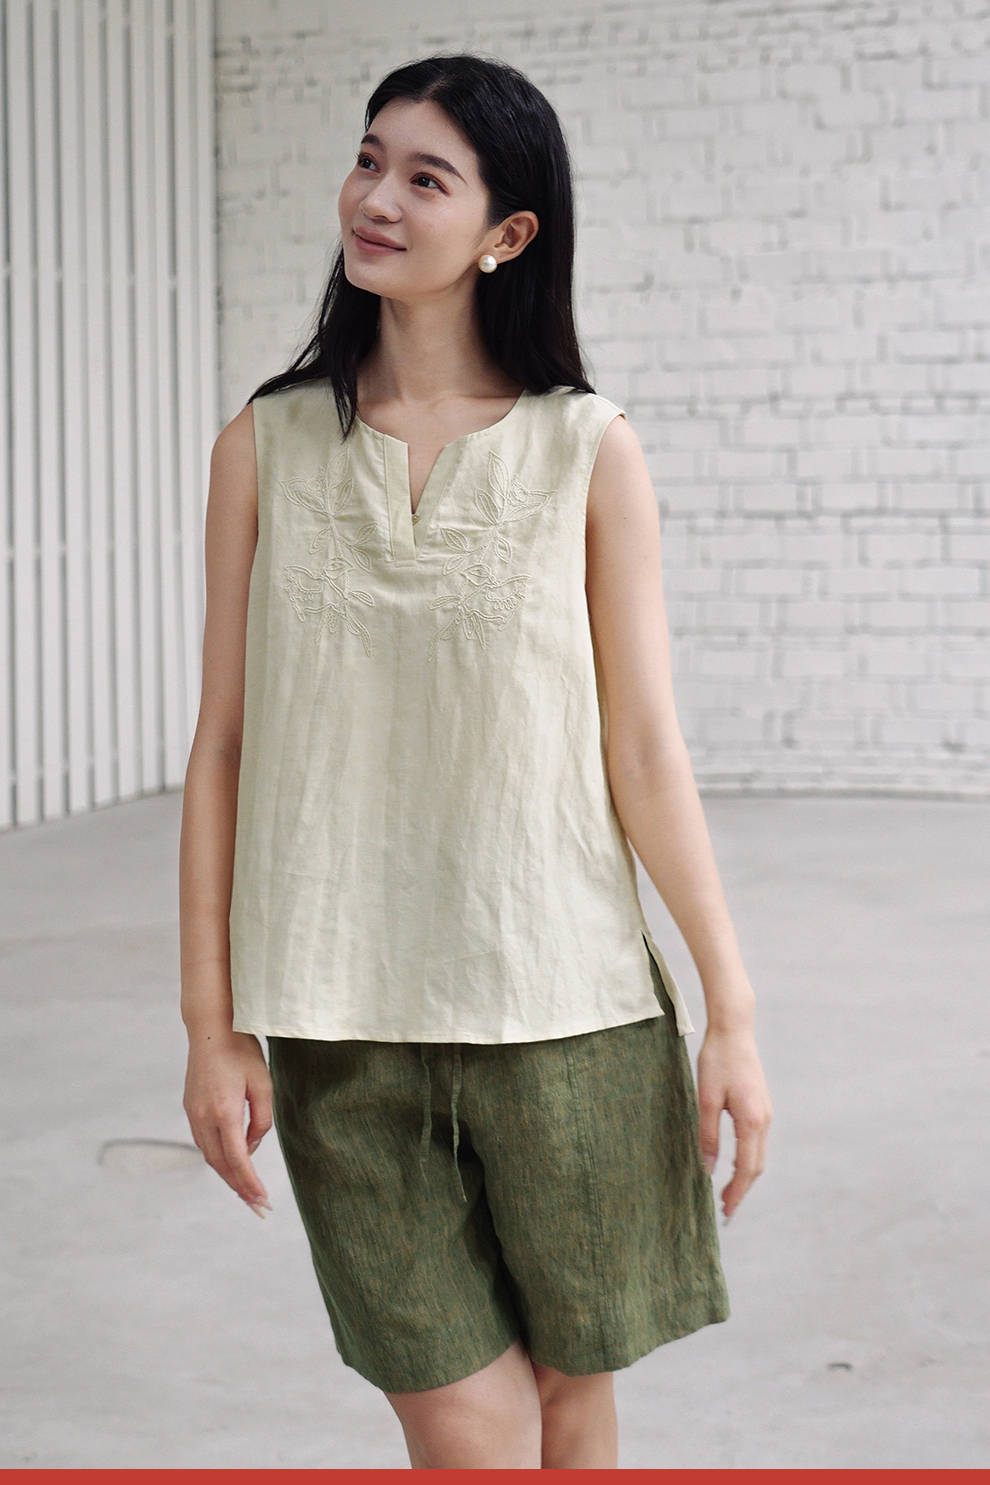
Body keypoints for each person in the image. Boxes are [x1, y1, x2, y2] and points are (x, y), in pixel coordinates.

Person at [179, 53, 773, 1470]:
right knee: (473, 1431)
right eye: (367, 158)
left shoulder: (587, 449)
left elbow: (645, 747)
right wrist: (210, 1023)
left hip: (566, 1004)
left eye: (424, 177)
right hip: (337, 1016)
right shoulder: (265, 444)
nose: (375, 197)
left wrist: (731, 1012)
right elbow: (223, 748)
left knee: (571, 1404)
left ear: (508, 233)